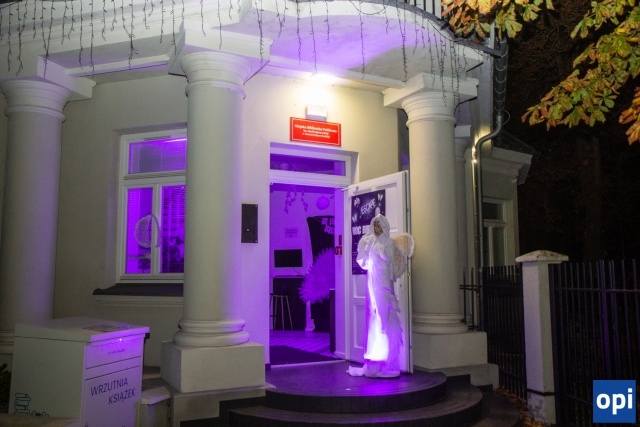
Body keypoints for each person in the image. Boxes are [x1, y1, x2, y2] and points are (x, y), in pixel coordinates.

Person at [348, 212, 413, 378]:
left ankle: (387, 359)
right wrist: (366, 249)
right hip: (373, 281)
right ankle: (375, 358)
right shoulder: (369, 242)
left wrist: (380, 248)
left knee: (384, 317)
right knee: (374, 318)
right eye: (375, 225)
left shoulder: (387, 243)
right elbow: (362, 262)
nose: (377, 228)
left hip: (384, 284)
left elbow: (388, 260)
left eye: (379, 225)